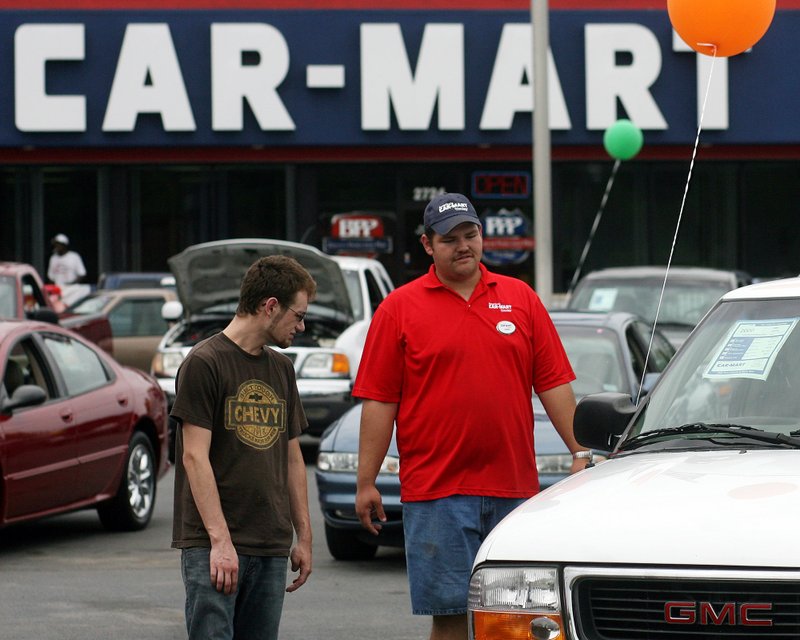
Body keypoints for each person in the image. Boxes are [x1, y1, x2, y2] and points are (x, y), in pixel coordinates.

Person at [354, 192, 590, 640]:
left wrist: (581, 449)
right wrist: (366, 481)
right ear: (428, 245)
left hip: (514, 490)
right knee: (449, 618)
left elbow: (554, 383)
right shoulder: (398, 309)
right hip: (436, 492)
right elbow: (379, 401)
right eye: (450, 239)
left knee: (519, 624)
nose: (463, 246)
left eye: (471, 234)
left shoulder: (520, 299)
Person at [171, 255, 314, 640]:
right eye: (297, 316)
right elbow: (193, 456)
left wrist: (304, 536)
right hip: (215, 547)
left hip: (269, 544)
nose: (301, 326)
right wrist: (220, 541)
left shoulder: (281, 368)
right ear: (270, 307)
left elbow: (292, 457)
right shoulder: (205, 362)